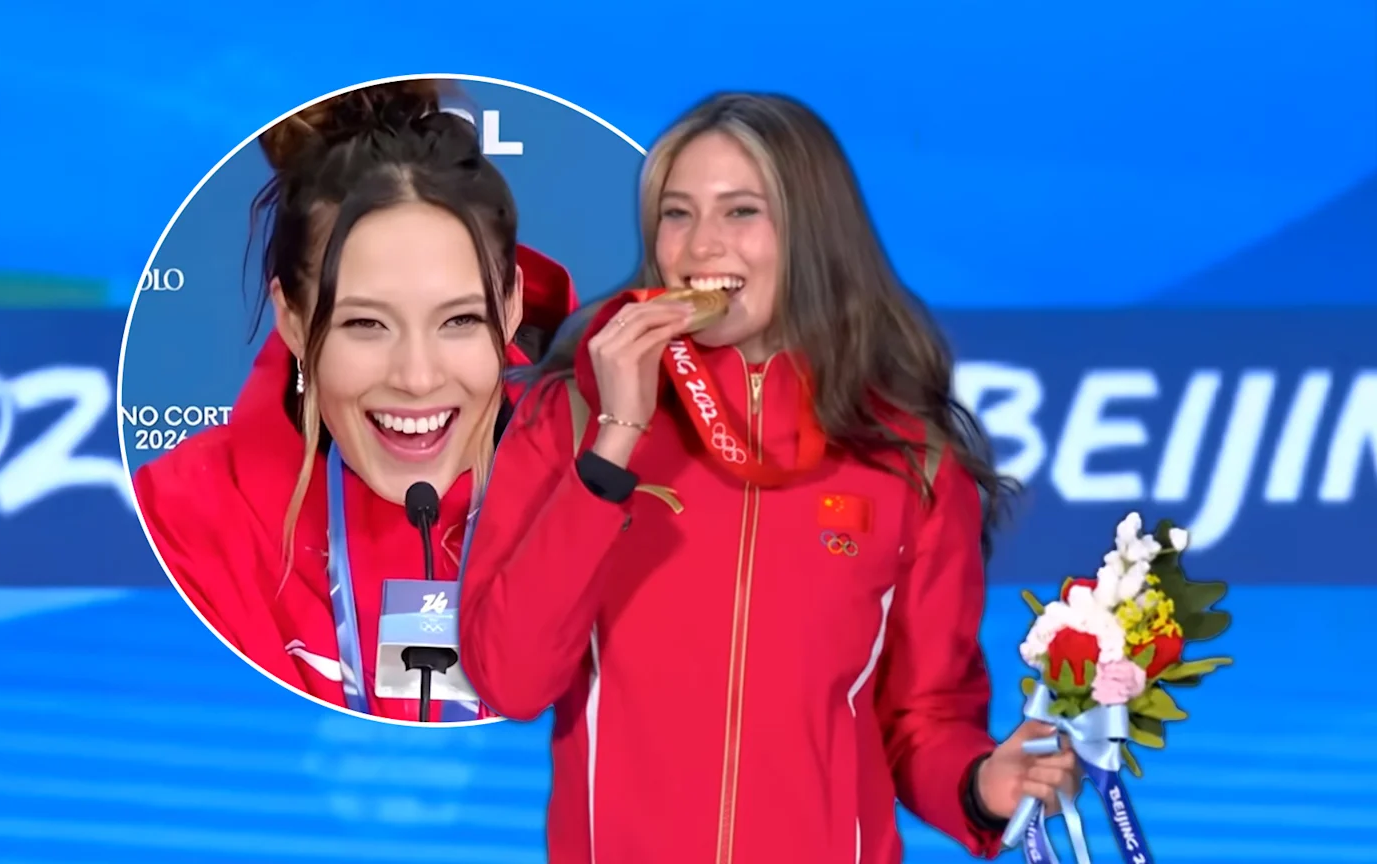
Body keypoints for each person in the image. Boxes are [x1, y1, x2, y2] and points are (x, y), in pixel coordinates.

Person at [458, 92, 1080, 862]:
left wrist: (981, 783)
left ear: (812, 233)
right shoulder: (571, 419)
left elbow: (922, 718)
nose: (700, 246)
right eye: (677, 214)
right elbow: (510, 679)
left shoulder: (908, 459)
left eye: (741, 212)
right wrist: (615, 440)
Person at [132, 80, 578, 723]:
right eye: (366, 324)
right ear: (292, 319)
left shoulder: (631, 498)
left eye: (458, 320)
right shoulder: (181, 520)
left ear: (509, 306)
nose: (417, 378)